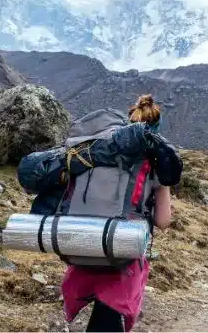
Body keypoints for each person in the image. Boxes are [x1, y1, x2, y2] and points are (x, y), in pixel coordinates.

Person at [61, 94, 172, 332]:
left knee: (101, 318)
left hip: (80, 244)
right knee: (108, 318)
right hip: (123, 253)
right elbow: (163, 221)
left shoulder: (96, 152)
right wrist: (163, 185)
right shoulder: (151, 165)